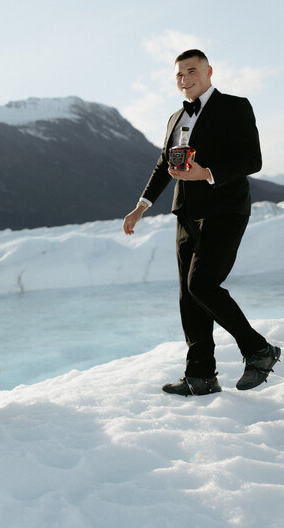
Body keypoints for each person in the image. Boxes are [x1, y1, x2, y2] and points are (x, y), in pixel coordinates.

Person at [122, 49, 280, 396]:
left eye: (191, 71)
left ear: (209, 71)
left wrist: (206, 173)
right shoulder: (175, 117)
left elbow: (252, 159)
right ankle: (201, 376)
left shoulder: (235, 106)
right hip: (186, 213)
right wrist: (141, 206)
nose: (184, 79)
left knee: (203, 285)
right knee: (188, 298)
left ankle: (258, 350)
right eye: (179, 74)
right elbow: (164, 165)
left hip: (225, 209)